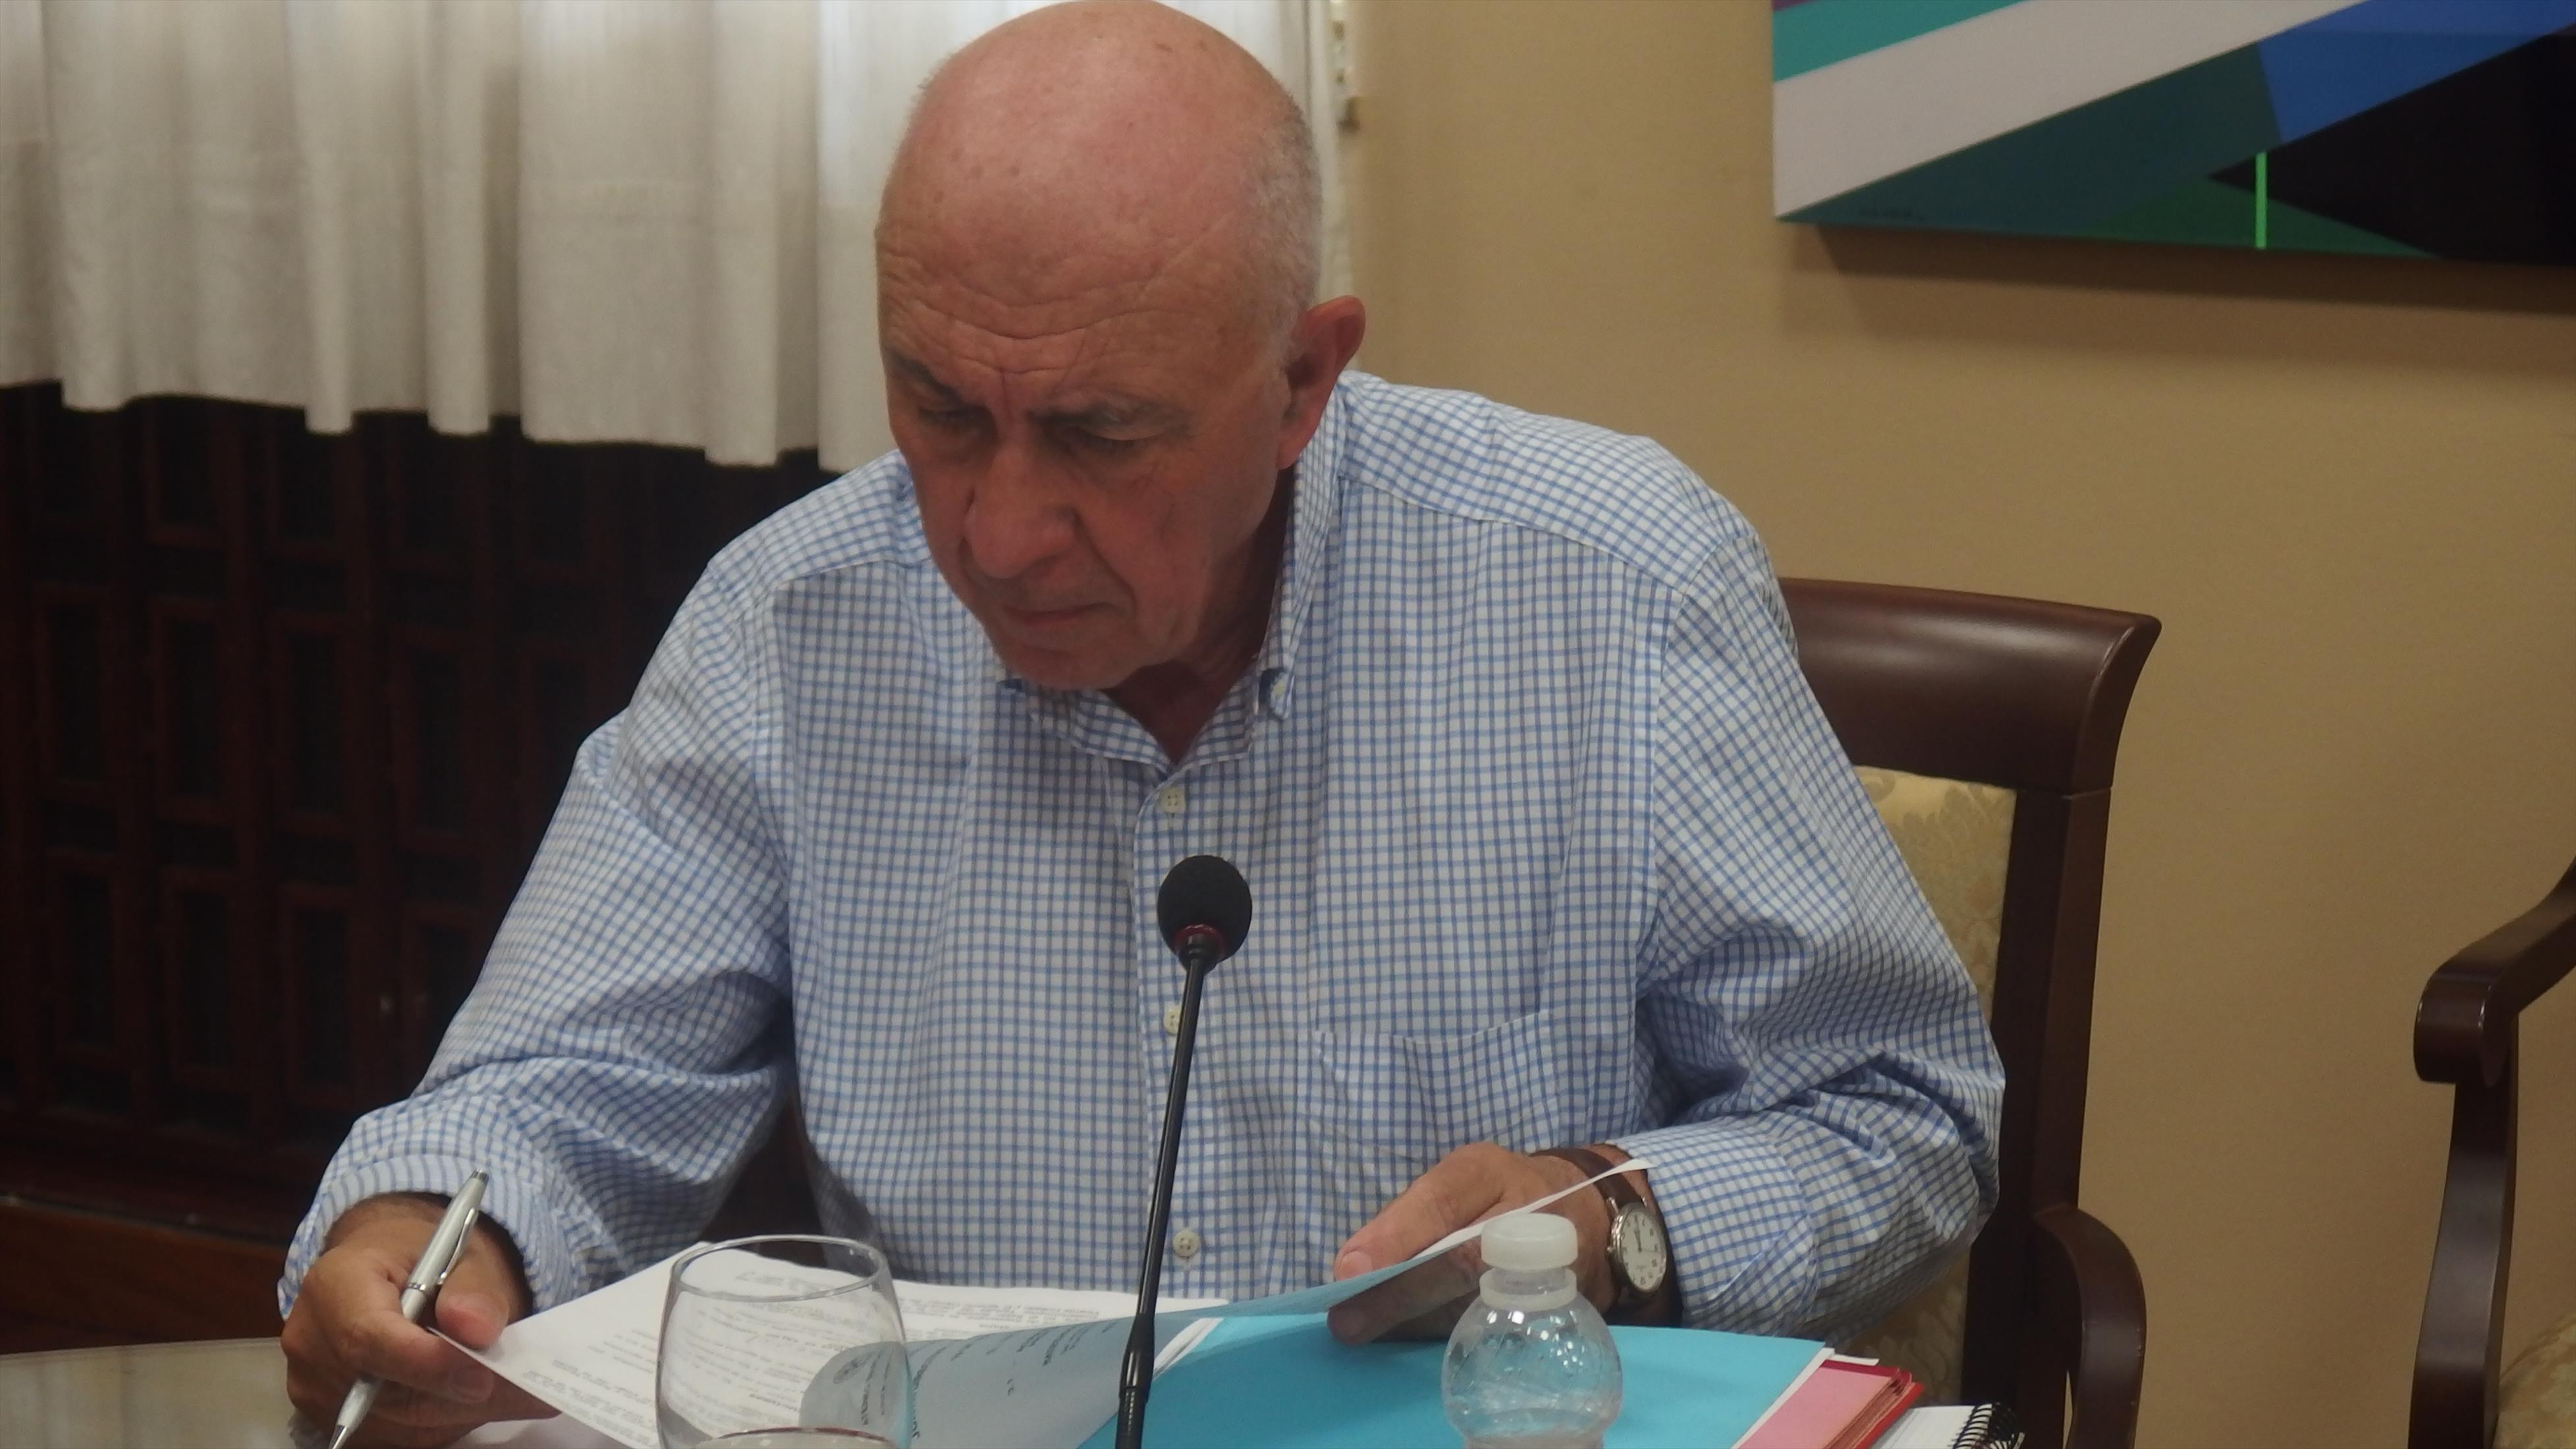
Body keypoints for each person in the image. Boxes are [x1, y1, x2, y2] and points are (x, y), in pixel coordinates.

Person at [278, 3, 2003, 1442]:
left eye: (1101, 436)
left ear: (1302, 382)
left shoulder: (1612, 593)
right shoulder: (791, 624)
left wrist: (1605, 1217)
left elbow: (1905, 1114)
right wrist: (430, 1236)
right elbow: (565, 1080)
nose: (997, 532)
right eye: (941, 410)